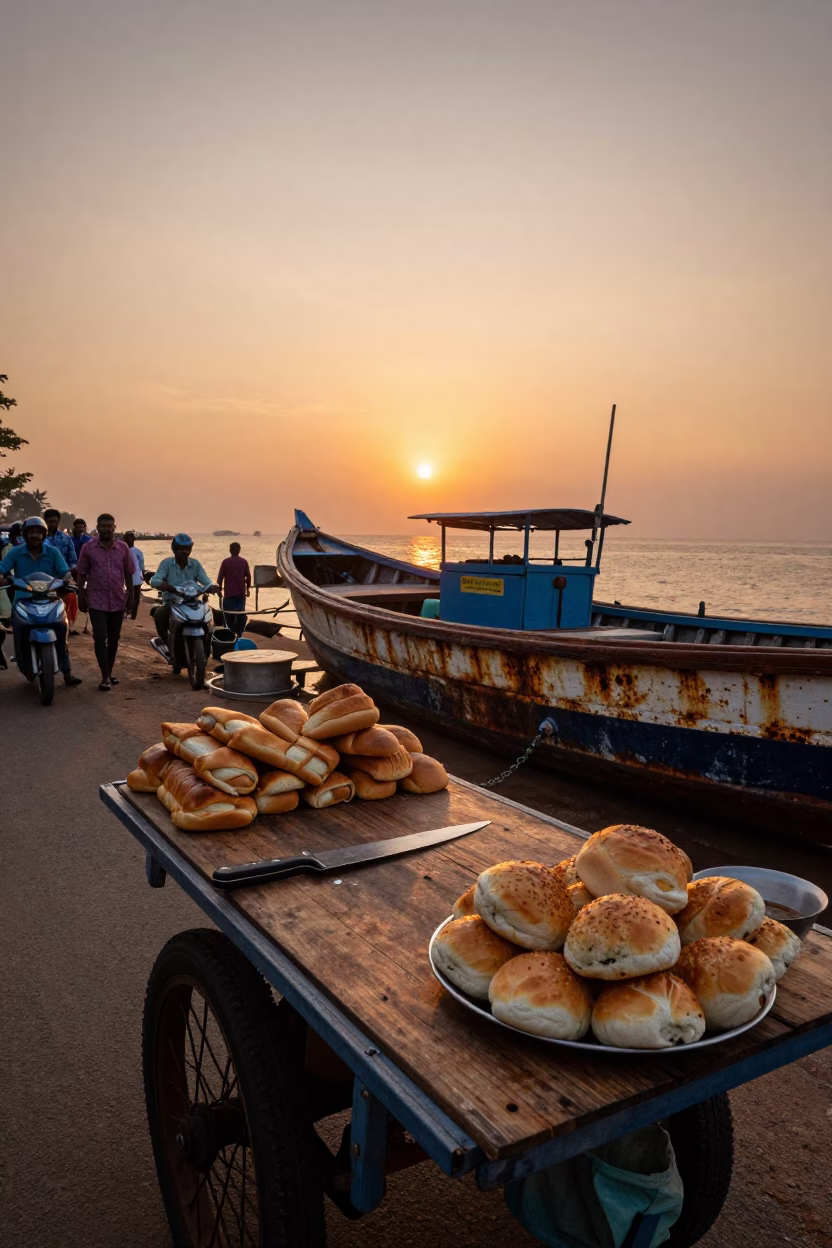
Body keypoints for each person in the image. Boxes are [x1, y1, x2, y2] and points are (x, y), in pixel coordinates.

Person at [0, 515, 82, 685]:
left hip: (50, 599)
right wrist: (4, 578)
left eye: (38, 532)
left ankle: (67, 672)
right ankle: (23, 659)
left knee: (61, 631)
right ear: (25, 534)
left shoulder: (53, 552)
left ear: (44, 535)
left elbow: (64, 572)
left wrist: (68, 580)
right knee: (19, 631)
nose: (35, 535)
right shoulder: (16, 552)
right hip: (23, 600)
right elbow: (2, 569)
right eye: (31, 532)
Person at [75, 514, 134, 691]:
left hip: (117, 600)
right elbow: (81, 573)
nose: (107, 529)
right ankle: (105, 676)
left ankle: (109, 671)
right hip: (96, 600)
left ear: (114, 528)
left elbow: (129, 573)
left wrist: (131, 597)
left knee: (114, 638)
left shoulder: (123, 548)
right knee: (100, 637)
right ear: (98, 528)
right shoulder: (88, 548)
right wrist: (81, 595)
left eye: (110, 526)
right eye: (103, 526)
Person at [150, 534, 213, 644]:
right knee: (160, 613)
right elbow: (154, 580)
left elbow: (206, 581)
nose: (184, 551)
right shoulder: (166, 564)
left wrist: (212, 587)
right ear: (174, 549)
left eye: (187, 549)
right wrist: (165, 585)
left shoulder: (195, 564)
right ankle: (166, 641)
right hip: (171, 603)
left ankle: (208, 642)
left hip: (192, 602)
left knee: (211, 615)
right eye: (181, 548)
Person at [43, 508, 80, 635]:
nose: (52, 524)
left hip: (62, 577)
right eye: (50, 521)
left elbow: (73, 558)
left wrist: (70, 572)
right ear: (45, 522)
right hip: (42, 577)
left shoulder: (66, 539)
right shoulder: (39, 538)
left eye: (55, 521)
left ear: (58, 522)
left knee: (71, 597)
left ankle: (69, 626)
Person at [217, 541, 251, 638]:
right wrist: (248, 588)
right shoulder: (244, 562)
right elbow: (248, 577)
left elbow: (220, 577)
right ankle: (239, 634)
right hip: (240, 593)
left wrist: (219, 589)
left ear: (230, 550)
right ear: (239, 550)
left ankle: (230, 633)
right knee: (241, 614)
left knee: (228, 614)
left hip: (229, 593)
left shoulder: (225, 562)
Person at [123, 532, 145, 619]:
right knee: (132, 596)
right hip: (130, 577)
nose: (130, 540)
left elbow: (142, 565)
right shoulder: (125, 551)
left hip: (133, 577)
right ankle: (130, 613)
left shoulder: (133, 551)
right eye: (128, 538)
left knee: (133, 596)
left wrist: (142, 575)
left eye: (131, 538)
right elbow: (142, 565)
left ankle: (131, 614)